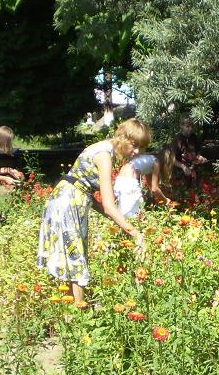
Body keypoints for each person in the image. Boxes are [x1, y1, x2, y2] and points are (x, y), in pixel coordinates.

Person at [37, 118, 149, 307]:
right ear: (122, 137)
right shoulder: (104, 156)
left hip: (70, 200)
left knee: (70, 254)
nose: (137, 151)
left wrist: (116, 220)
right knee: (75, 256)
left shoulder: (106, 150)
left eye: (141, 147)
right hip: (68, 203)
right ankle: (79, 314)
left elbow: (92, 195)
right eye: (134, 145)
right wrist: (135, 233)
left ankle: (72, 308)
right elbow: (108, 205)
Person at [113, 147, 175, 218]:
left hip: (120, 181)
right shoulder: (156, 162)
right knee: (134, 217)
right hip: (130, 183)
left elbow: (151, 186)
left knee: (122, 214)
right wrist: (166, 200)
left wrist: (158, 196)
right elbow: (155, 189)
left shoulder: (147, 158)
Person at [171, 117, 207, 189]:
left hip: (193, 171)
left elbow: (197, 153)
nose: (190, 129)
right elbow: (171, 159)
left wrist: (200, 158)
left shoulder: (194, 137)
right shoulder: (177, 140)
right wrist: (183, 167)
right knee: (183, 194)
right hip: (180, 173)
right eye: (187, 126)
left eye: (192, 126)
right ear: (182, 126)